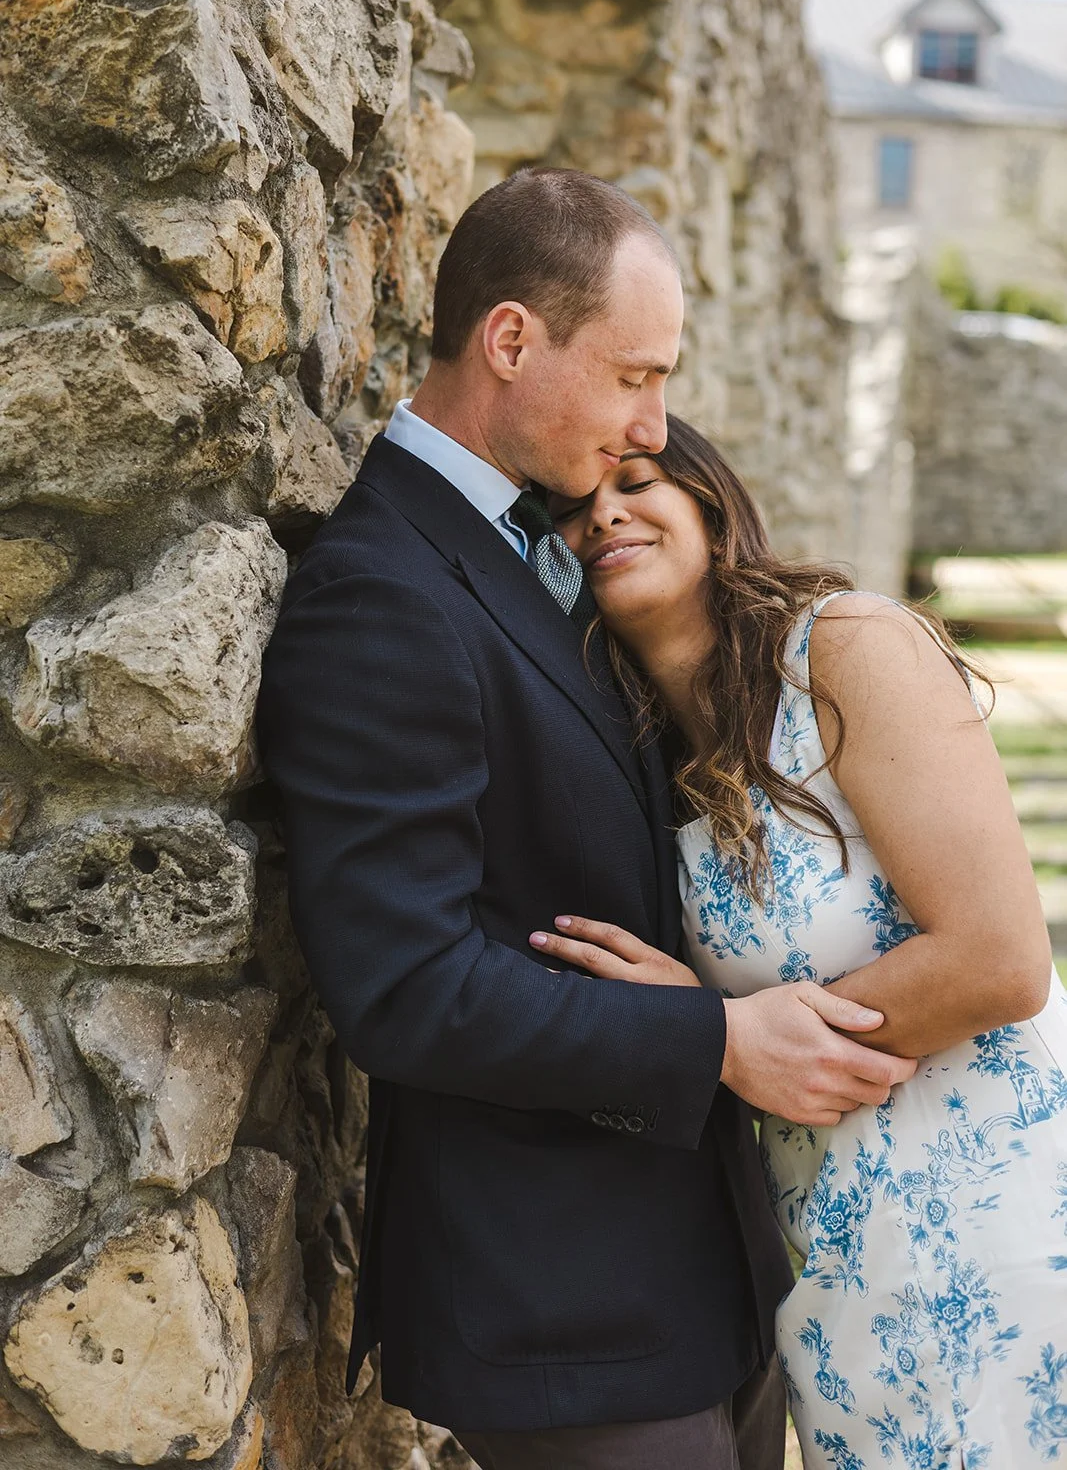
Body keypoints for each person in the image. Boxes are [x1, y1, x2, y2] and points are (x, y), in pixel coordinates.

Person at [256, 169, 919, 1470]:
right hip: (561, 1306)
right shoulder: (381, 593)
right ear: (510, 341)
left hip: (702, 1274)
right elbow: (403, 988)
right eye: (631, 377)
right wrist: (715, 1041)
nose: (649, 424)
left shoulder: (527, 552)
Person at [535, 414, 1067, 1469]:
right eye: (565, 507)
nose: (601, 510)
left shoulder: (843, 648)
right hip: (830, 1270)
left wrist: (724, 1034)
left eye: (635, 480)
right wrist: (712, 1031)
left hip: (987, 1229)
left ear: (709, 503)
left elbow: (999, 959)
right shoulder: (637, 759)